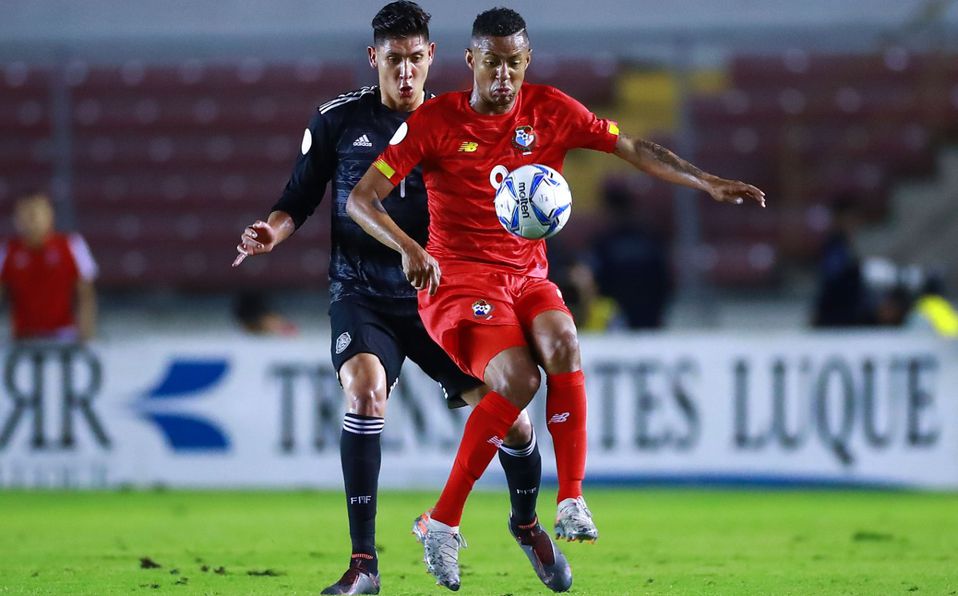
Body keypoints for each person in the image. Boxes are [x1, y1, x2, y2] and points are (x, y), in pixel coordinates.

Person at [345, 7, 765, 590]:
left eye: (513, 63)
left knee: (566, 341)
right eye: (490, 63)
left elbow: (634, 147)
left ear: (527, 61)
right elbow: (362, 200)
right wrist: (410, 249)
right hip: (460, 284)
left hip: (528, 278)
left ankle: (571, 500)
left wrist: (706, 181)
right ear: (470, 61)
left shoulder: (552, 110)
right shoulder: (436, 121)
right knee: (519, 385)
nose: (501, 76)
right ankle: (442, 522)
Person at [232, 3, 568, 594]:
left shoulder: (456, 119)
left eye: (416, 59)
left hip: (446, 299)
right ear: (374, 58)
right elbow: (300, 198)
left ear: (432, 57)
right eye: (394, 60)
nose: (406, 71)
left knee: (514, 423)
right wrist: (271, 231)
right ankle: (364, 563)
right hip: (364, 294)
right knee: (365, 395)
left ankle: (526, 523)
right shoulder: (339, 120)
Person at [0, 192, 97, 342]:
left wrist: (85, 335)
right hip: (23, 336)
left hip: (65, 334)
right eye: (24, 215)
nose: (30, 221)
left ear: (49, 215)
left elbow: (86, 295)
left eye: (34, 215)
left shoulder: (72, 245)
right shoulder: (7, 251)